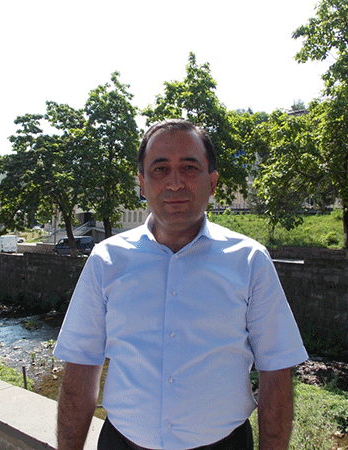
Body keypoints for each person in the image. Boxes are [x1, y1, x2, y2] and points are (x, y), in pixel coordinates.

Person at [54, 119, 308, 450]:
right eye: (160, 169)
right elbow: (79, 372)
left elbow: (276, 375)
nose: (174, 183)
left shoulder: (250, 261)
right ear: (142, 183)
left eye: (189, 167)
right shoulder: (106, 261)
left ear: (212, 182)